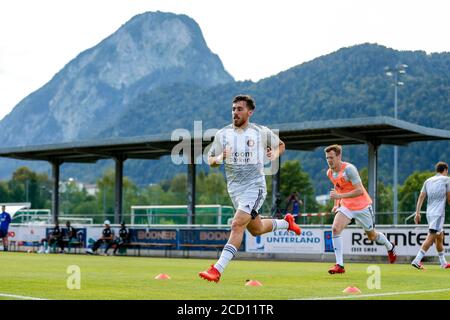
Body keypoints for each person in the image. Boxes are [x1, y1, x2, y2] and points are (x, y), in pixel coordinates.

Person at [199, 94, 301, 283]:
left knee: (237, 224)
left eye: (239, 109)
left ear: (250, 112)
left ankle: (217, 269)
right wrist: (219, 158)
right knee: (257, 229)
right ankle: (287, 223)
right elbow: (210, 159)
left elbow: (281, 145)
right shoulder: (223, 134)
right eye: (233, 109)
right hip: (235, 190)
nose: (235, 113)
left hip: (255, 186)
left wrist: (274, 153)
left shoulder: (260, 132)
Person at [325, 144, 397, 274]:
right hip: (347, 206)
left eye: (331, 157)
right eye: (327, 158)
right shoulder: (330, 172)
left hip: (362, 206)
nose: (329, 160)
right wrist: (336, 204)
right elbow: (338, 187)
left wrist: (339, 196)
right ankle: (339, 265)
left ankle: (390, 246)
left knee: (372, 236)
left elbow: (359, 191)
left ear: (339, 156)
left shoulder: (349, 169)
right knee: (335, 229)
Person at [411, 161, 450, 270]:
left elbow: (421, 196)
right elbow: (449, 198)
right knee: (432, 236)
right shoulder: (447, 180)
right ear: (445, 170)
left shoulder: (428, 181)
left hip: (430, 213)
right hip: (438, 214)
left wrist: (417, 213)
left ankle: (443, 263)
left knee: (439, 236)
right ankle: (417, 260)